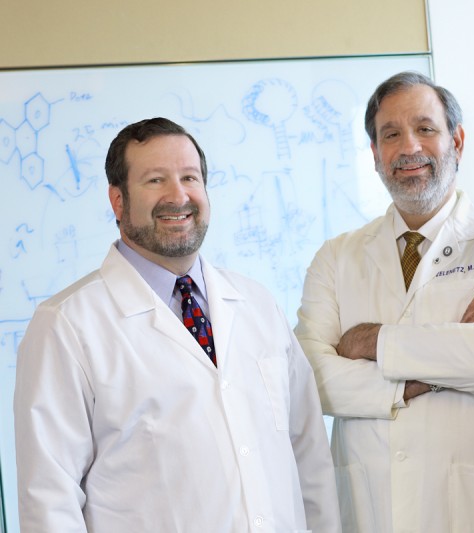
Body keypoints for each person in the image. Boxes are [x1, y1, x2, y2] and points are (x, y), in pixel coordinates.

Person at [14, 117, 341, 532]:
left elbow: (309, 458)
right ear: (118, 201)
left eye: (190, 177)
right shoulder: (66, 325)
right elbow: (49, 500)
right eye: (155, 180)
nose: (178, 195)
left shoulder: (257, 304)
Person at [294, 71, 474, 532]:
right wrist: (434, 371)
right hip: (373, 510)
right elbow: (311, 376)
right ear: (375, 153)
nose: (409, 146)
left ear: (457, 141)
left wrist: (370, 341)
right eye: (391, 134)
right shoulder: (336, 257)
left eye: (425, 128)